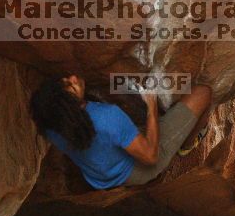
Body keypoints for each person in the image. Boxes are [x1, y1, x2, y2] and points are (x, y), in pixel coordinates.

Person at [29, 74, 212, 190]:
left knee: (121, 134)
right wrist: (152, 107)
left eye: (67, 80)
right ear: (69, 106)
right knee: (204, 92)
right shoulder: (108, 117)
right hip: (137, 170)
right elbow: (150, 157)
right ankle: (186, 146)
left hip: (99, 176)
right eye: (71, 86)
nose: (74, 78)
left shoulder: (52, 124)